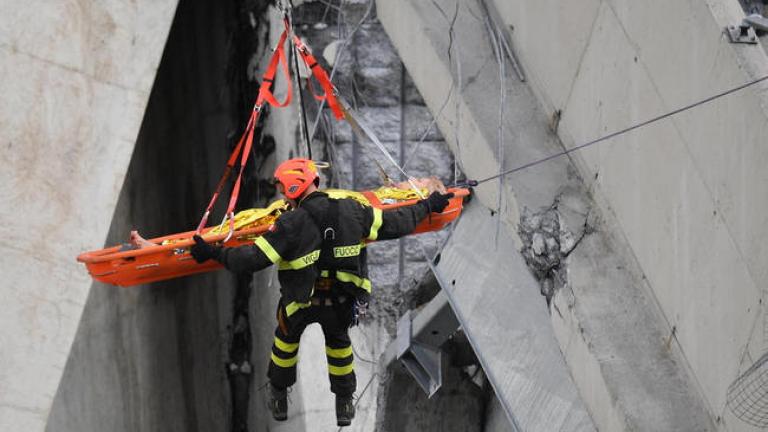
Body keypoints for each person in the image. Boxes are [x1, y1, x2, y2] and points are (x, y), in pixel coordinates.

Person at [190, 158, 453, 426]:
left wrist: (212, 252)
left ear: (293, 189)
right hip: (341, 303)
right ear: (314, 181)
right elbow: (395, 223)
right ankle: (344, 404)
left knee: (284, 343)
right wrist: (428, 206)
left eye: (284, 191)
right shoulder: (354, 210)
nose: (283, 197)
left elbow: (251, 259)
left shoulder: (289, 225)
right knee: (339, 348)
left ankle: (279, 394)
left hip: (300, 303)